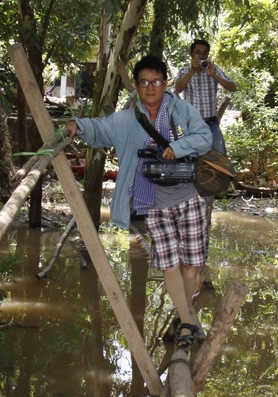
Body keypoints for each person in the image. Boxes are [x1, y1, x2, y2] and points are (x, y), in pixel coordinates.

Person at [64, 55, 212, 349]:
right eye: (143, 82)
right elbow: (100, 129)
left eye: (155, 81)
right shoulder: (127, 118)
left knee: (190, 267)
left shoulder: (179, 109)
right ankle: (188, 324)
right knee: (169, 266)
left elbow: (204, 137)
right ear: (136, 86)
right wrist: (75, 125)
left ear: (165, 83)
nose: (150, 87)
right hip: (153, 202)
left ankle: (186, 321)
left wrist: (177, 147)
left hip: (188, 198)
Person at [174, 39, 237, 155]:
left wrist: (213, 75)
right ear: (191, 54)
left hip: (211, 123)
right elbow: (178, 89)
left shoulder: (214, 69)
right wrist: (192, 70)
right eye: (197, 52)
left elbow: (233, 87)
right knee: (191, 157)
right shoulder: (184, 71)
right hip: (191, 124)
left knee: (220, 155)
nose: (201, 56)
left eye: (204, 53)